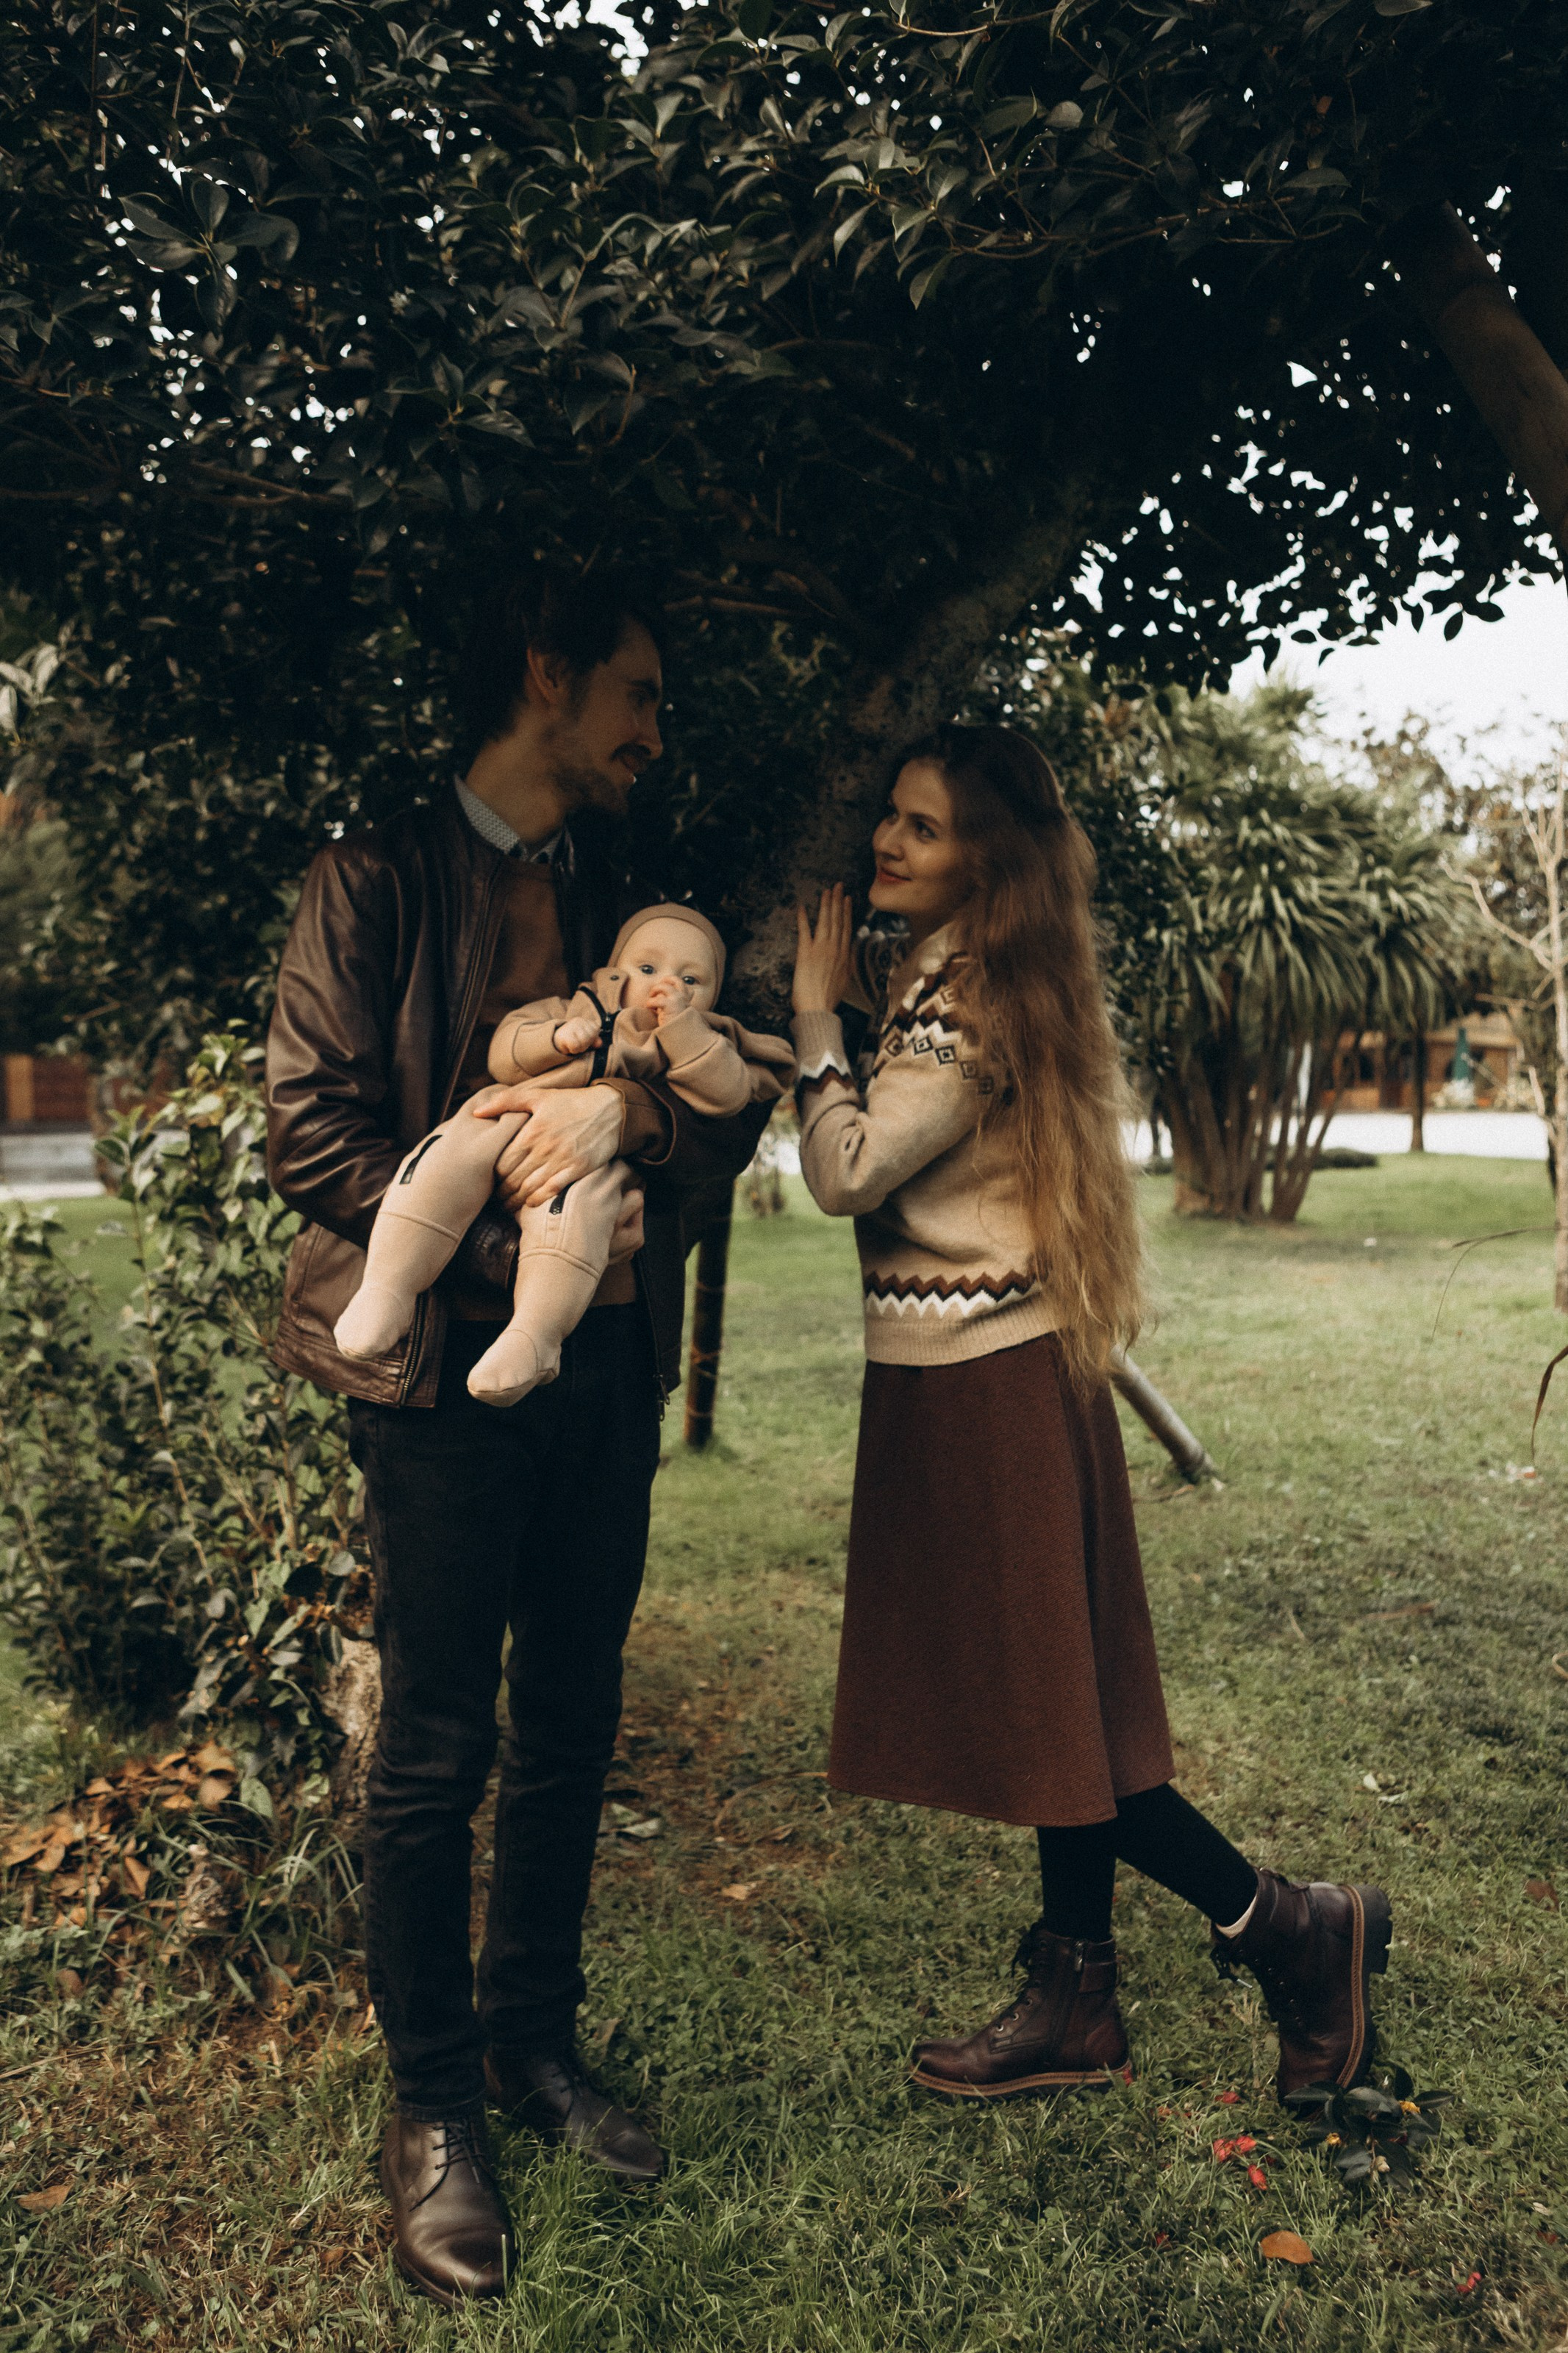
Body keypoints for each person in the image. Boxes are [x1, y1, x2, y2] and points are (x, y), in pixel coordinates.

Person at [265, 566, 769, 2307]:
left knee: (570, 1723)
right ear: (545, 678)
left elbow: (709, 1120)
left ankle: (530, 2045)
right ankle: (428, 2110)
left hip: (604, 1378)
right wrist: (497, 1246)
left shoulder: (631, 895)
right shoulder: (373, 877)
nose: (652, 729)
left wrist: (629, 1110)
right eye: (633, 691)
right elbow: (315, 1135)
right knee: (433, 1749)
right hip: (432, 1387)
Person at [790, 722, 1391, 2106]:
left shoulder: (961, 998)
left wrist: (816, 1014)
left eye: (920, 826)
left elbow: (847, 1168)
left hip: (985, 1383)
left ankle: (1292, 1931)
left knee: (1051, 1722)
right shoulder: (973, 974)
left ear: (982, 860)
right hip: (994, 1369)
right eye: (890, 813)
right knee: (1063, 1713)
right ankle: (1077, 1995)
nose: (886, 839)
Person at [334, 903, 792, 1404]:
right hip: (505, 1118)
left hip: (591, 1164)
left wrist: (682, 1028)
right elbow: (505, 1050)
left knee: (576, 1217)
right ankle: (388, 1288)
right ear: (614, 972)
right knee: (442, 1161)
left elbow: (725, 1093)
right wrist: (554, 1039)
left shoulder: (698, 1040)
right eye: (648, 969)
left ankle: (533, 1337)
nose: (668, 984)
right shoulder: (574, 1008)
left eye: (691, 979)